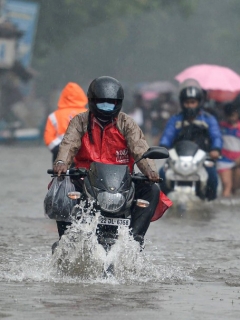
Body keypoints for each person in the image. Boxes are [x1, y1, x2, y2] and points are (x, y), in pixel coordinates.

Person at [52, 76, 167, 250]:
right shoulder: (80, 121)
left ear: (118, 103)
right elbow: (69, 144)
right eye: (102, 102)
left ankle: (134, 240)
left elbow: (140, 148)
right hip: (85, 179)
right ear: (92, 101)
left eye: (111, 103)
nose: (106, 107)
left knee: (152, 189)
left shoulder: (127, 123)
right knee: (61, 187)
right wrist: (61, 163)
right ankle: (66, 241)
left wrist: (150, 171)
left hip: (121, 183)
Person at [158, 85, 222, 201]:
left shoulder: (208, 119)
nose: (190, 105)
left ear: (199, 103)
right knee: (162, 174)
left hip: (202, 159)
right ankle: (163, 203)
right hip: (177, 158)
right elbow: (167, 135)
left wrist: (216, 149)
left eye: (193, 102)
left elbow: (216, 136)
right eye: (187, 102)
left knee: (212, 176)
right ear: (182, 103)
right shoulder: (175, 119)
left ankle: (210, 202)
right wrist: (164, 147)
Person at [43, 82, 87, 164]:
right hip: (84, 154)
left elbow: (48, 137)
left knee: (60, 175)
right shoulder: (90, 114)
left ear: (63, 96)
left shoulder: (54, 116)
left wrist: (59, 149)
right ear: (81, 95)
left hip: (60, 154)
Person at [217, 102, 240, 197]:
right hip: (223, 159)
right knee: (227, 185)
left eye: (233, 115)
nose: (232, 118)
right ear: (225, 115)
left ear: (237, 114)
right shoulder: (221, 127)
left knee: (235, 187)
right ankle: (224, 206)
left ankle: (231, 207)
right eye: (229, 116)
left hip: (237, 161)